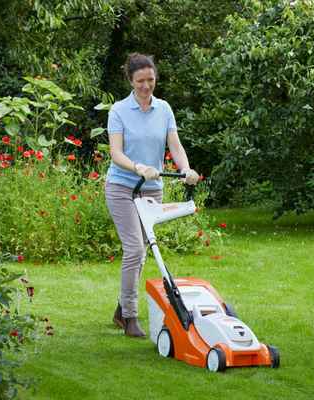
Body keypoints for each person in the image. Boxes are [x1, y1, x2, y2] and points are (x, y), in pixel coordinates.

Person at [105, 53, 199, 337]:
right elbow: (116, 153)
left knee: (142, 252)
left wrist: (186, 169)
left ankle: (121, 308)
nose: (146, 86)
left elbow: (175, 145)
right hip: (122, 187)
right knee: (134, 249)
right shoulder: (119, 111)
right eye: (140, 81)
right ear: (130, 81)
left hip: (151, 190)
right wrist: (138, 167)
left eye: (150, 79)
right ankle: (129, 317)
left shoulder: (164, 109)